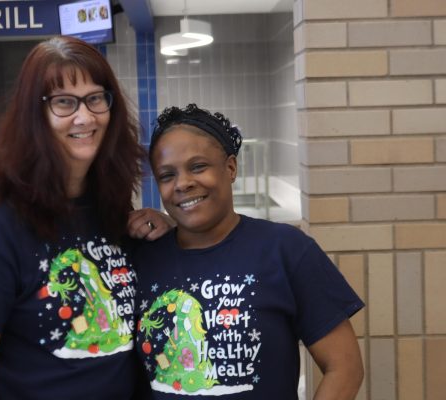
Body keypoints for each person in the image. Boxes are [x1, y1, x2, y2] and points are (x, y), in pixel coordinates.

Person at [0, 36, 169, 400]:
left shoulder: (108, 208)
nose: (85, 116)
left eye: (95, 98)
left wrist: (162, 232)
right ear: (34, 115)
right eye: (63, 102)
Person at [134, 104, 364, 399]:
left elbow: (345, 368)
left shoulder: (285, 249)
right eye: (167, 175)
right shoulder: (145, 260)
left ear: (230, 167)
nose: (183, 184)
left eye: (198, 167)